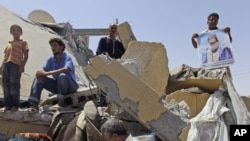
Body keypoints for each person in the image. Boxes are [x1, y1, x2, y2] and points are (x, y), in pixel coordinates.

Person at [28, 37, 79, 111]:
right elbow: (44, 71)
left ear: (61, 47)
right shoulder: (50, 59)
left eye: (55, 45)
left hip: (71, 86)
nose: (53, 48)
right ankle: (34, 104)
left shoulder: (66, 57)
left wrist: (48, 73)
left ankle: (61, 101)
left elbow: (66, 69)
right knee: (39, 78)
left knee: (62, 76)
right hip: (58, 86)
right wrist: (39, 74)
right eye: (52, 46)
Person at [0, 24, 29, 112]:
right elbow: (5, 56)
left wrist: (22, 66)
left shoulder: (23, 43)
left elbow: (26, 55)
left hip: (16, 65)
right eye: (13, 30)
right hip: (6, 64)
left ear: (21, 33)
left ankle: (15, 105)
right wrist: (1, 67)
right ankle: (7, 105)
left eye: (18, 30)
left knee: (14, 85)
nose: (15, 32)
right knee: (6, 85)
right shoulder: (9, 44)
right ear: (11, 32)